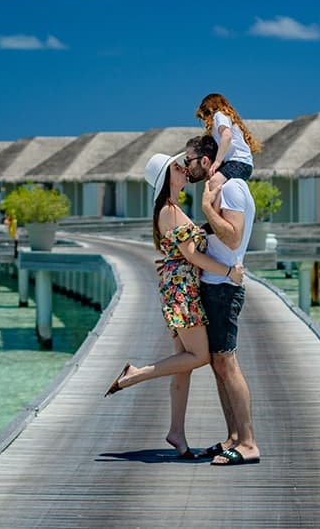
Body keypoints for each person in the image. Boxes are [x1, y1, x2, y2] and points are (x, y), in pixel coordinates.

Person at [104, 151, 245, 460]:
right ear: (167, 177)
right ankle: (136, 374)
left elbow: (185, 249)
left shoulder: (174, 210)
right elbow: (192, 254)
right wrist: (229, 272)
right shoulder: (169, 211)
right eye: (178, 167)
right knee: (200, 356)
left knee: (184, 362)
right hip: (182, 289)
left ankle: (177, 433)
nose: (184, 170)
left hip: (179, 285)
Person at [184, 134, 261, 466]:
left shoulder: (231, 188)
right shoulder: (221, 188)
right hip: (214, 284)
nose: (185, 168)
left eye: (188, 161)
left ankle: (248, 442)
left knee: (227, 363)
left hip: (224, 289)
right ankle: (233, 436)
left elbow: (233, 236)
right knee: (218, 365)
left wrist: (204, 209)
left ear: (205, 161)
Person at [195, 93, 261, 189]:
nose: (205, 121)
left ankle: (215, 205)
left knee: (214, 182)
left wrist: (217, 161)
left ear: (209, 109)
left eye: (205, 115)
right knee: (222, 187)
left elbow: (227, 136)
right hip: (243, 164)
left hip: (238, 162)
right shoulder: (227, 118)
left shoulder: (219, 115)